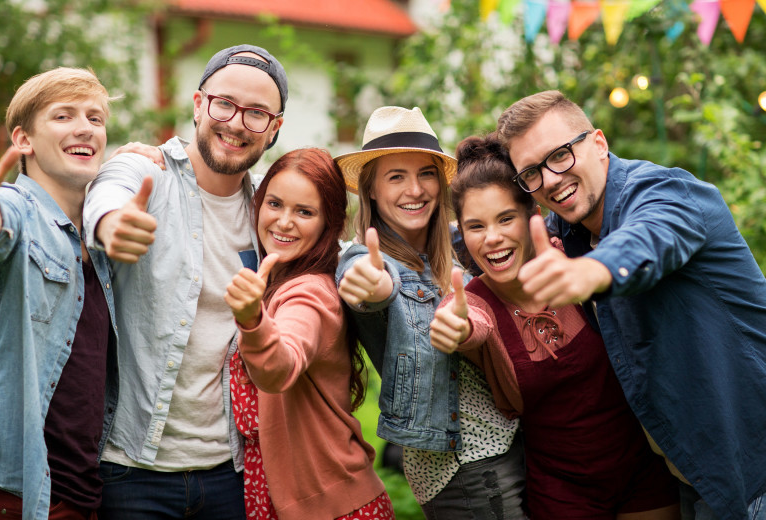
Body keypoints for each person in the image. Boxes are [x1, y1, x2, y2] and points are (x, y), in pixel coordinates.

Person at [494, 90, 766, 520]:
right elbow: (493, 236)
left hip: (752, 474)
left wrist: (592, 272)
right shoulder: (566, 232)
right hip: (691, 479)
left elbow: (651, 237)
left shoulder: (666, 191)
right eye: (531, 172)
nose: (549, 179)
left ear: (599, 143)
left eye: (560, 155)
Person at [82, 44, 287, 519]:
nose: (237, 123)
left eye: (257, 113)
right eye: (225, 104)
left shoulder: (269, 211)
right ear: (198, 105)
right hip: (133, 470)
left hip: (231, 473)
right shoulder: (145, 169)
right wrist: (112, 224)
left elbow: (327, 245)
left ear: (274, 128)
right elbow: (111, 190)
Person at [430, 135, 680, 519]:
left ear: (531, 214)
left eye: (505, 218)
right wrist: (456, 329)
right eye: (476, 226)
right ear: (461, 231)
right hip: (563, 493)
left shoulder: (570, 257)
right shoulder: (472, 300)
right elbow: (469, 323)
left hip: (641, 472)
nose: (492, 237)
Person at [335, 106, 525, 519]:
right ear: (370, 189)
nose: (415, 189)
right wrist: (371, 286)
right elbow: (371, 283)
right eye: (396, 177)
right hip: (466, 464)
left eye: (425, 173)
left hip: (505, 445)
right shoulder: (366, 258)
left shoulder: (456, 248)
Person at [0, 68, 117, 520]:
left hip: (85, 494)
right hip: (17, 494)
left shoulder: (100, 241)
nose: (84, 127)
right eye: (63, 115)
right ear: (24, 141)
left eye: (95, 117)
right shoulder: (18, 210)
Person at [225, 147, 393, 519]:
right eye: (275, 204)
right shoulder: (282, 280)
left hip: (333, 507)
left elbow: (281, 365)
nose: (284, 222)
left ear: (327, 223)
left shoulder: (309, 293)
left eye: (304, 212)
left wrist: (253, 321)